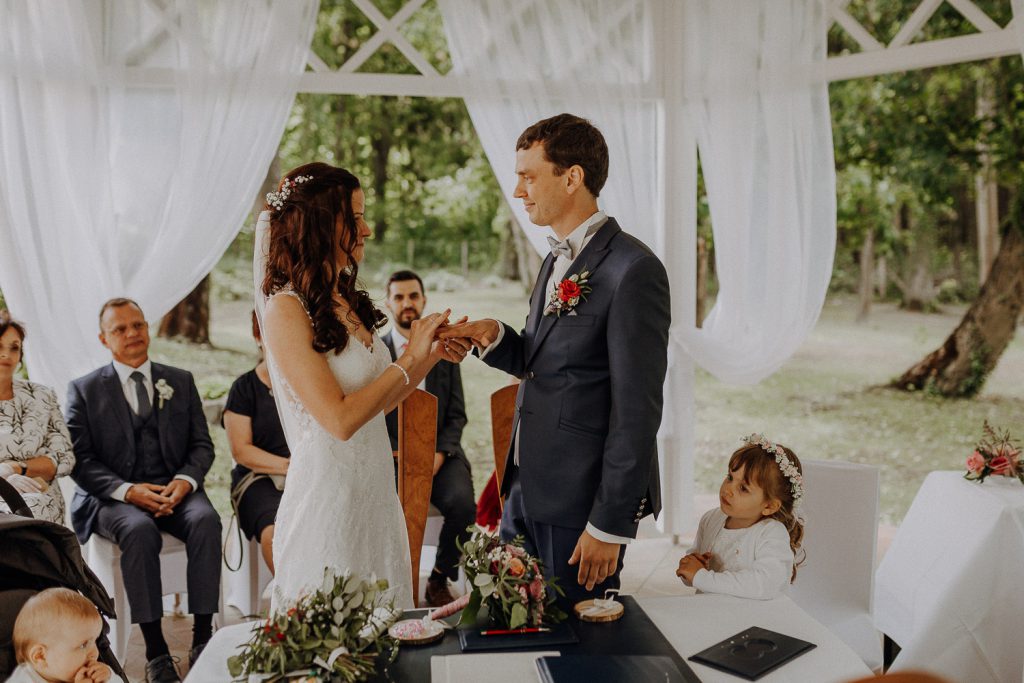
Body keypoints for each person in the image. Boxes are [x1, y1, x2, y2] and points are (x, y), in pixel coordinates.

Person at [440, 113, 671, 606]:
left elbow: (638, 412)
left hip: (580, 503)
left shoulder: (634, 271)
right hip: (525, 488)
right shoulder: (553, 260)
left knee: (577, 638)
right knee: (516, 626)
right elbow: (547, 360)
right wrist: (495, 336)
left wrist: (608, 524)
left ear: (572, 178)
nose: (518, 191)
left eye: (528, 176)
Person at [255, 163, 466, 612]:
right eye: (354, 218)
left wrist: (430, 353)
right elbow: (340, 419)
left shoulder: (344, 296)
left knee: (383, 616)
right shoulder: (285, 310)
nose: (366, 229)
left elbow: (379, 404)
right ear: (318, 224)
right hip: (329, 493)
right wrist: (408, 359)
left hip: (374, 487)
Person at [66, 298, 220, 683]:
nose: (132, 333)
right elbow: (81, 461)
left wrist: (184, 482)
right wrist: (128, 491)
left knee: (206, 520)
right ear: (104, 339)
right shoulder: (84, 390)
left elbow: (202, 446)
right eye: (120, 329)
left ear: (148, 328)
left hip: (176, 490)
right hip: (113, 498)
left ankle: (204, 638)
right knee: (138, 530)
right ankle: (156, 652)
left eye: (138, 325)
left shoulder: (180, 380)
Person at [382, 270, 475, 607]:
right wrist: (400, 457)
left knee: (464, 504)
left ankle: (438, 578)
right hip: (390, 457)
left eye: (413, 296)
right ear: (388, 303)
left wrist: (438, 454)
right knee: (382, 509)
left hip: (440, 455)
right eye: (399, 297)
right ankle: (393, 582)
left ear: (423, 300)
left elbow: (457, 414)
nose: (407, 303)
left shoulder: (443, 351)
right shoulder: (376, 352)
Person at [675, 434, 805, 600]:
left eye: (743, 488)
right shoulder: (710, 519)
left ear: (769, 506)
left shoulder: (771, 533)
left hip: (753, 614)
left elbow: (765, 584)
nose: (728, 489)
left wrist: (702, 577)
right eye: (730, 477)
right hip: (711, 609)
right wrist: (691, 568)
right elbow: (695, 577)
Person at [222, 311, 289, 575]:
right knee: (276, 533)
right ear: (258, 337)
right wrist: (291, 467)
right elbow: (241, 451)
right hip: (258, 479)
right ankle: (295, 596)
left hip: (308, 475)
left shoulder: (307, 383)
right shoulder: (243, 388)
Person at [0, 312, 75, 525]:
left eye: (14, 347)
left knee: (33, 509)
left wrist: (15, 468)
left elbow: (64, 458)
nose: (6, 354)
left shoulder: (41, 395)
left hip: (41, 497)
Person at [10, 587, 112, 683]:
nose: (94, 653)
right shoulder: (24, 679)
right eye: (83, 645)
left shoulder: (83, 670)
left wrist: (109, 677)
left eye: (95, 640)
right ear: (41, 656)